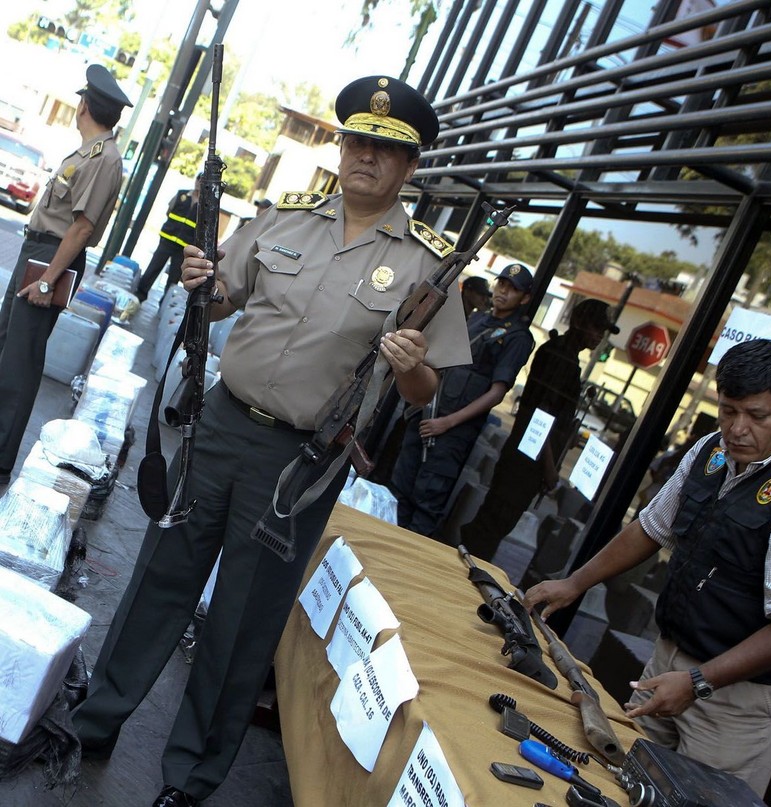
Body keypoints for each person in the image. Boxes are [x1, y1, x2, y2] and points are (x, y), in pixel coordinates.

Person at [72, 75, 471, 807]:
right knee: (161, 578)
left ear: (410, 167)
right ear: (341, 144)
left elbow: (429, 391)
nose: (367, 158)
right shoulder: (283, 218)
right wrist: (203, 280)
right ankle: (95, 719)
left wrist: (412, 372)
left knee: (241, 618)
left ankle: (189, 774)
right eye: (358, 141)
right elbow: (227, 294)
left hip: (302, 460)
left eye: (387, 150)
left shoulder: (426, 264)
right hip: (221, 422)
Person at [524, 338, 771, 797]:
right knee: (619, 783)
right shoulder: (711, 451)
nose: (737, 429)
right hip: (668, 662)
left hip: (741, 700)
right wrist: (575, 583)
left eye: (757, 416)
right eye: (728, 411)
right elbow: (651, 528)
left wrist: (698, 682)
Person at [0, 65, 131, 486]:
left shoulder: (103, 158)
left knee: (20, 360)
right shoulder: (92, 153)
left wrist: (46, 280)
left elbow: (82, 227)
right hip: (40, 252)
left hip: (51, 259)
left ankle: (1, 456)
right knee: (7, 346)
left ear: (84, 105)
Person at [460, 298, 620, 560]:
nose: (598, 336)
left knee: (494, 524)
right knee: (490, 527)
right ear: (580, 323)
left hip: (528, 461)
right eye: (596, 328)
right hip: (525, 462)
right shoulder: (560, 357)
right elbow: (541, 416)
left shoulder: (565, 356)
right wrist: (549, 468)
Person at [392, 263, 535, 536]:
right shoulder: (478, 319)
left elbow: (497, 393)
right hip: (427, 416)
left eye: (513, 289)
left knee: (425, 504)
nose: (504, 291)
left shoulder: (517, 336)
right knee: (398, 490)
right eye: (502, 284)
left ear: (525, 298)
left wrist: (447, 423)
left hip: (451, 431)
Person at [135, 174, 201, 303]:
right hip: (167, 240)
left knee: (174, 278)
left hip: (184, 247)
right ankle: (140, 295)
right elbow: (169, 210)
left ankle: (164, 303)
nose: (199, 183)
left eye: (203, 181)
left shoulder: (205, 205)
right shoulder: (181, 195)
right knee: (153, 268)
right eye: (199, 179)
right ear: (195, 180)